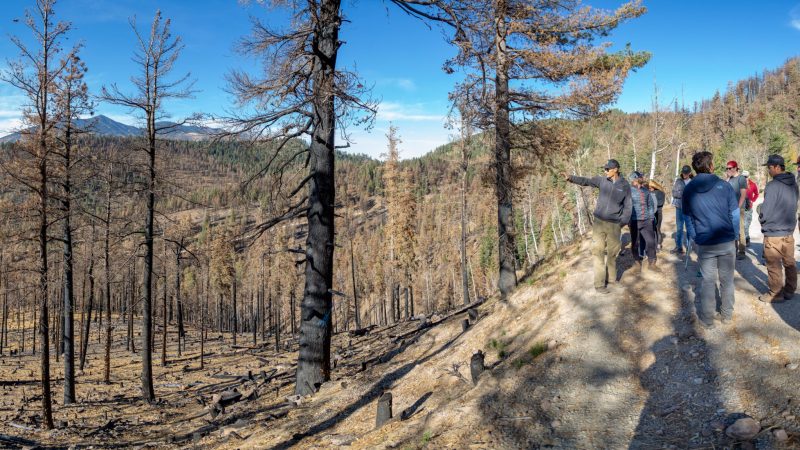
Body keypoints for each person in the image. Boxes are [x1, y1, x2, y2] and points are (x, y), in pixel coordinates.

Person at [682, 151, 739, 327]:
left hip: (705, 242)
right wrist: (735, 235)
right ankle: (727, 315)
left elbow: (687, 217)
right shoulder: (724, 185)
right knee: (727, 280)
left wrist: (694, 236)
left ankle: (707, 320)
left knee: (707, 281)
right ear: (710, 166)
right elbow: (735, 214)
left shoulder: (689, 189)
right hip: (726, 240)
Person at [563, 159, 632, 294]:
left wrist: (622, 222)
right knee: (598, 251)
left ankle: (612, 280)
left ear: (615, 169)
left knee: (612, 253)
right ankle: (599, 284)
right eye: (605, 169)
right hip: (599, 222)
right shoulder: (602, 180)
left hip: (614, 225)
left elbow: (628, 206)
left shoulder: (624, 185)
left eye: (607, 169)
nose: (605, 171)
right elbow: (586, 181)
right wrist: (571, 178)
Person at [757, 154, 798, 303]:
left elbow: (765, 211)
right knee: (789, 263)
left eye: (769, 167)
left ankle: (776, 293)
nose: (768, 170)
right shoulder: (794, 183)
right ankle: (790, 290)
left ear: (776, 167)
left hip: (774, 233)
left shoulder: (773, 185)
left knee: (774, 265)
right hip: (788, 232)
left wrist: (761, 219)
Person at [628, 172, 658, 271]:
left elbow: (650, 205)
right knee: (635, 243)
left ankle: (652, 262)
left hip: (646, 221)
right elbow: (626, 206)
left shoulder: (646, 191)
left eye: (641, 177)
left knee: (651, 241)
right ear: (634, 179)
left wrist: (651, 218)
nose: (642, 178)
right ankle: (637, 262)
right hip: (634, 221)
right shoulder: (628, 191)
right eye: (640, 177)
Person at [725, 160, 748, 259]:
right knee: (732, 230)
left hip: (739, 208)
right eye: (727, 168)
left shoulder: (741, 178)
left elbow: (743, 195)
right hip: (730, 208)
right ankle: (733, 250)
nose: (728, 170)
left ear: (735, 168)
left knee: (740, 230)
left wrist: (738, 207)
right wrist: (727, 177)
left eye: (730, 168)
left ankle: (742, 251)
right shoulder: (729, 179)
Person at [671, 165, 693, 254]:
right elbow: (674, 193)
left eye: (686, 173)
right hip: (679, 208)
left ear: (690, 173)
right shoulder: (678, 181)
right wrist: (684, 194)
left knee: (689, 228)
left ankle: (689, 247)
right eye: (683, 173)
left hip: (690, 208)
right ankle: (678, 247)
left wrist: (683, 193)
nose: (684, 174)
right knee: (679, 228)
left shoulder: (693, 181)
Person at [647, 179, 667, 250]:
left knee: (657, 229)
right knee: (651, 229)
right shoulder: (649, 192)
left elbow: (660, 203)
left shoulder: (661, 193)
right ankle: (652, 244)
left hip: (658, 213)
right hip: (650, 213)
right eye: (648, 188)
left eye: (650, 187)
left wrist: (652, 204)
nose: (649, 189)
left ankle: (658, 244)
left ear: (654, 186)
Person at [742, 170, 758, 246]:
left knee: (746, 224)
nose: (744, 178)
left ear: (748, 177)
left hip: (748, 207)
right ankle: (743, 239)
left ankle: (747, 238)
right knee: (741, 225)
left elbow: (756, 194)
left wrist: (752, 200)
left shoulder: (752, 184)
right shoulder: (739, 184)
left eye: (746, 177)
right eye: (743, 177)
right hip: (740, 207)